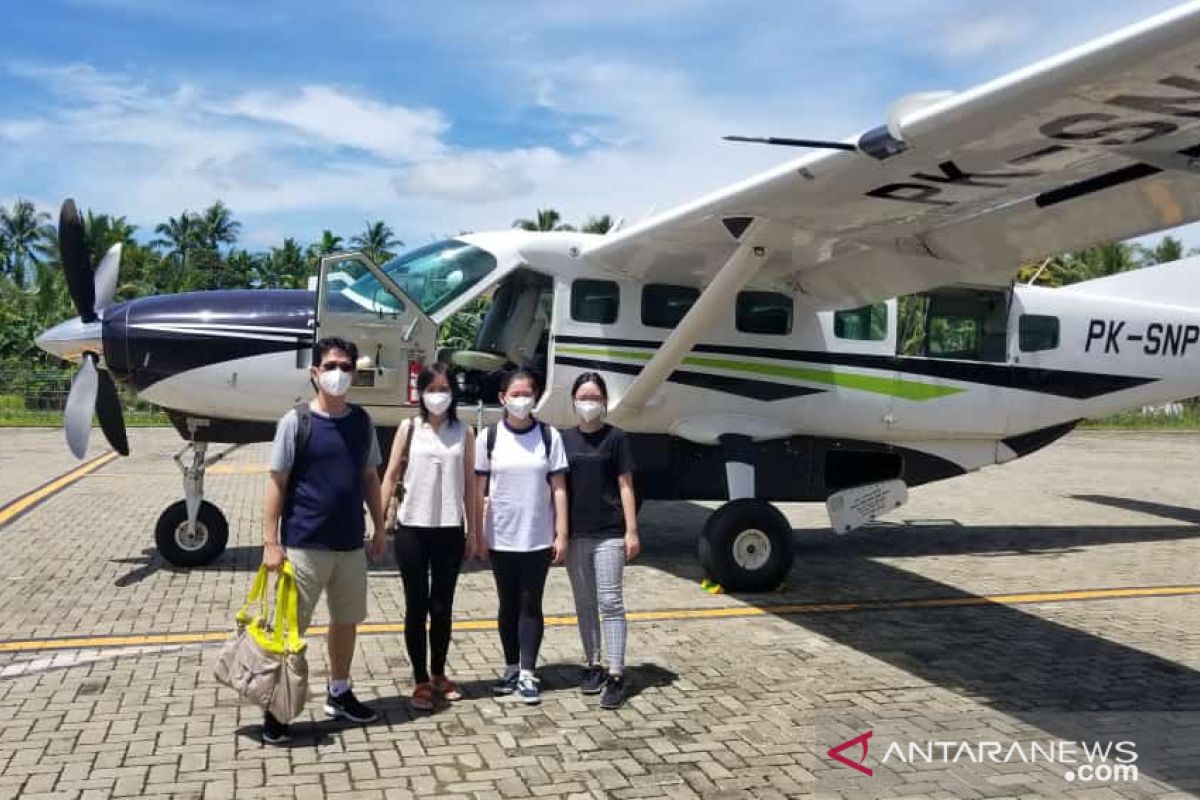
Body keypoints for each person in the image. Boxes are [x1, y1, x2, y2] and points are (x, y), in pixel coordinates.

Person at [261, 336, 387, 744]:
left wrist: (380, 526)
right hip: (304, 544)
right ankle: (278, 708)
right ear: (315, 372)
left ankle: (340, 691)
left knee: (346, 622)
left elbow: (370, 477)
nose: (339, 374)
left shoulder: (361, 422)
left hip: (350, 545)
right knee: (291, 629)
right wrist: (270, 541)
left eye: (346, 367)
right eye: (331, 366)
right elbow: (277, 483)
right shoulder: (296, 421)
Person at [380, 363, 476, 712]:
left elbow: (470, 486)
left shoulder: (464, 432)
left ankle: (439, 673)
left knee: (443, 607)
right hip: (412, 530)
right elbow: (390, 474)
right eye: (432, 389)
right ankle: (420, 679)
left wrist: (474, 531)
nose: (439, 395)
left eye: (444, 389)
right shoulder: (408, 428)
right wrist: (377, 525)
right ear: (420, 393)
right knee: (416, 606)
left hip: (450, 529)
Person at [472, 368, 569, 705]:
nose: (521, 399)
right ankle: (511, 667)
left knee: (530, 604)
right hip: (500, 536)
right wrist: (477, 532)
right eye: (515, 394)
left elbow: (558, 487)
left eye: (527, 393)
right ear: (502, 398)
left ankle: (528, 671)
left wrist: (562, 532)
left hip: (537, 536)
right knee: (507, 604)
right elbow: (479, 487)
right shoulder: (489, 437)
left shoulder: (548, 436)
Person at [560, 372, 639, 710]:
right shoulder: (563, 439)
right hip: (577, 534)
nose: (589, 404)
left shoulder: (617, 438)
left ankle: (617, 674)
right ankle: (592, 664)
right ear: (574, 401)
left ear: (605, 401)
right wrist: (559, 532)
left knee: (610, 601)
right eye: (583, 397)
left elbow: (625, 485)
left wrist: (631, 530)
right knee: (585, 601)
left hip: (609, 532)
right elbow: (558, 488)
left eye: (595, 398)